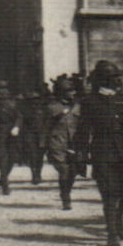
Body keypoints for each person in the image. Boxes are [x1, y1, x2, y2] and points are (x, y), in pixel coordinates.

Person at [74, 60, 123, 246]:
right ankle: (111, 233)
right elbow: (84, 129)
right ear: (102, 80)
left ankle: (117, 218)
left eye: (118, 77)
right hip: (104, 151)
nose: (117, 81)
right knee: (109, 194)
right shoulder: (90, 102)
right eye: (113, 78)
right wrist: (80, 151)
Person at [44, 76, 82, 209]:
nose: (72, 93)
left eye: (73, 90)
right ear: (61, 92)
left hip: (74, 143)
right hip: (58, 143)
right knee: (64, 170)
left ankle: (66, 191)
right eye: (69, 91)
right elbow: (45, 127)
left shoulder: (78, 106)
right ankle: (66, 198)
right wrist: (44, 146)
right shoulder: (52, 107)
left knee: (73, 172)